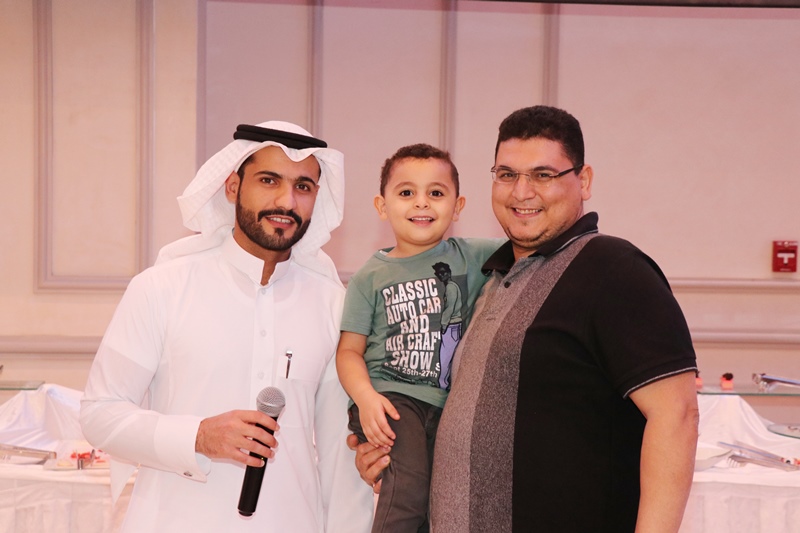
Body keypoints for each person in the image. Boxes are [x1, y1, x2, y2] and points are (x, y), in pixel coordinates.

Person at [350, 106, 699, 532]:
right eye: (507, 174)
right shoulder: (488, 278)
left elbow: (677, 415)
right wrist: (397, 463)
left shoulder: (613, 268)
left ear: (584, 180)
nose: (522, 191)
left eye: (543, 175)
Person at [80, 121, 374, 532]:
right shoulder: (162, 287)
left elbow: (340, 462)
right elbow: (100, 414)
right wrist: (198, 436)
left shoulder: (333, 304)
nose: (286, 201)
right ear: (233, 187)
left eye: (303, 187)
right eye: (269, 180)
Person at [336, 144, 500, 532]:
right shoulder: (370, 276)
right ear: (382, 206)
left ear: (458, 206)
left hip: (446, 407)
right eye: (407, 192)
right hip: (390, 400)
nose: (421, 202)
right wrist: (366, 398)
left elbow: (536, 248)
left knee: (438, 506)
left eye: (436, 193)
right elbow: (348, 352)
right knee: (407, 493)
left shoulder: (473, 255)